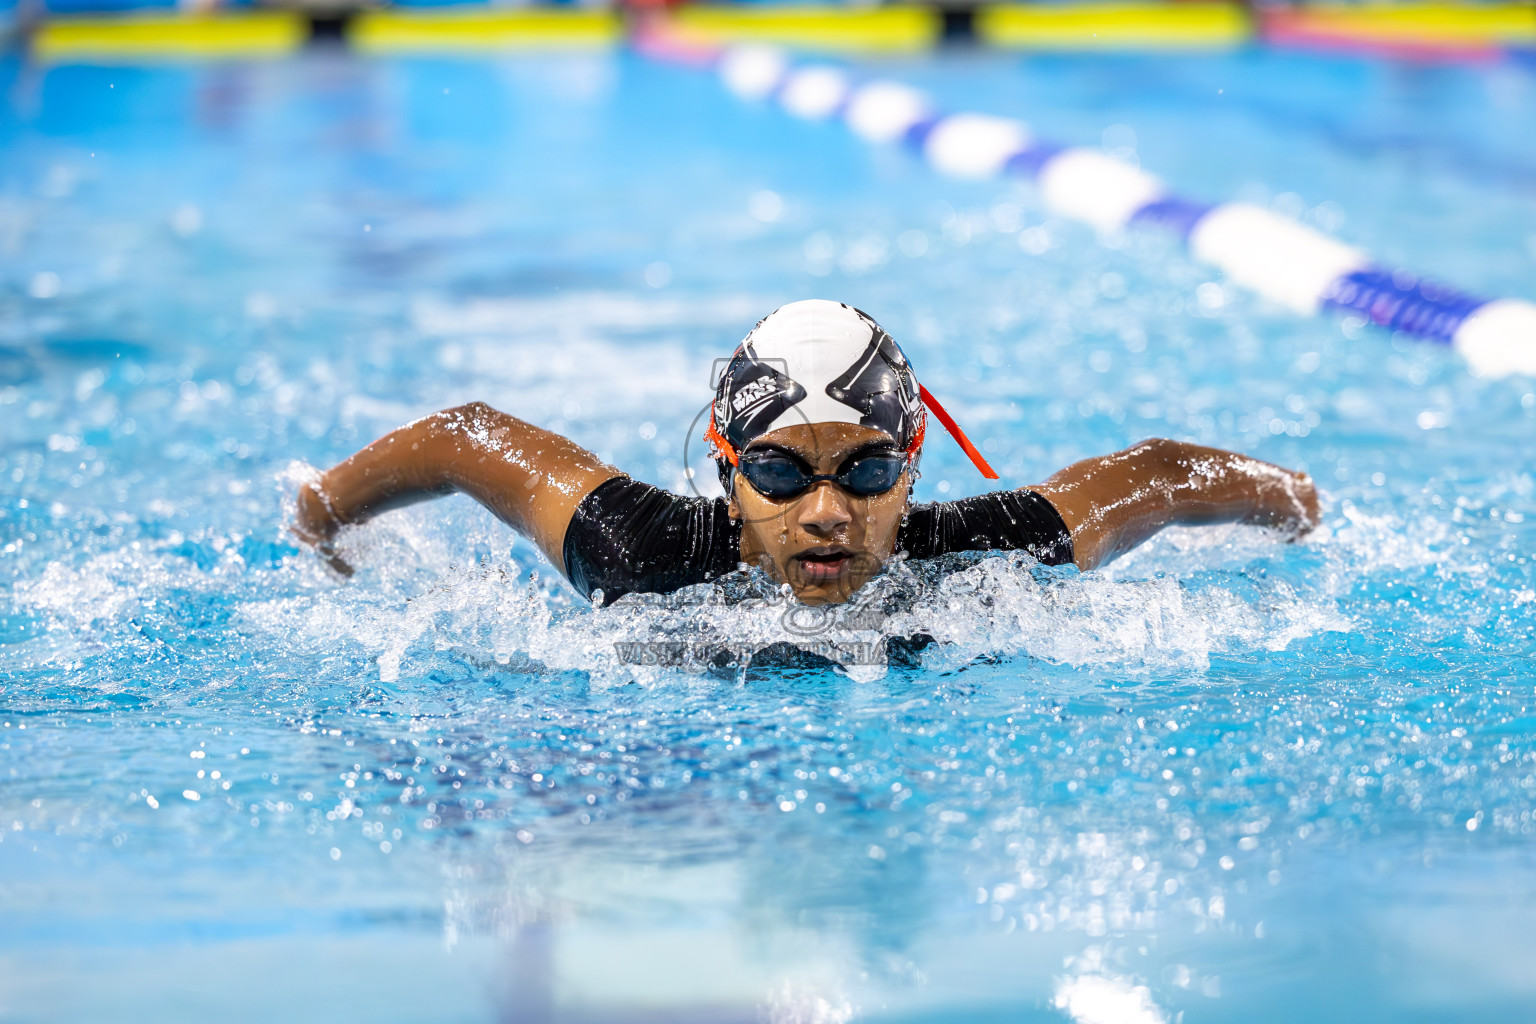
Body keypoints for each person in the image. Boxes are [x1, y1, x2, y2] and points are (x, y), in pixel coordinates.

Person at [292, 300, 1319, 606]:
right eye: (782, 472)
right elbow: (463, 436)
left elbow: (1153, 476)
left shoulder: (983, 560)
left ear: (913, 465)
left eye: (866, 469)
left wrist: (1294, 503)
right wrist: (324, 515)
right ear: (729, 467)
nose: (827, 511)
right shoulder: (643, 550)